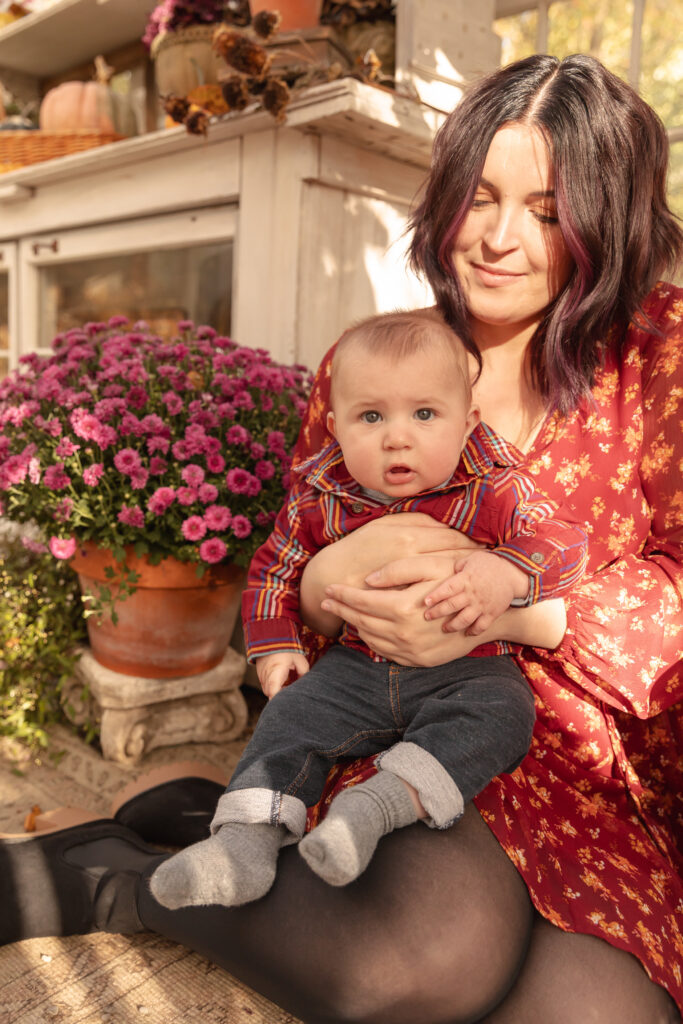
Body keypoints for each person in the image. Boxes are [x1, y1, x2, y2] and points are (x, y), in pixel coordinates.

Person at [1, 51, 682, 1024]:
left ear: (601, 223)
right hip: (401, 722)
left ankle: (191, 821)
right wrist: (327, 580)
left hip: (588, 766)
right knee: (403, 970)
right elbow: (298, 577)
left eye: (543, 210)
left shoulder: (659, 353)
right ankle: (105, 878)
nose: (495, 238)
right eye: (478, 196)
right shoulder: (376, 363)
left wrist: (511, 602)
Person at [148, 309, 587, 909]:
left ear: (467, 423)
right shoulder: (321, 495)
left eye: (425, 414)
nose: (396, 437)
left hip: (469, 665)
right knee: (289, 719)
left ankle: (373, 809)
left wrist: (505, 569)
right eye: (371, 416)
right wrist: (276, 648)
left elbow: (565, 541)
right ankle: (242, 843)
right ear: (337, 426)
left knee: (503, 713)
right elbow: (273, 570)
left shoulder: (496, 486)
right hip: (355, 667)